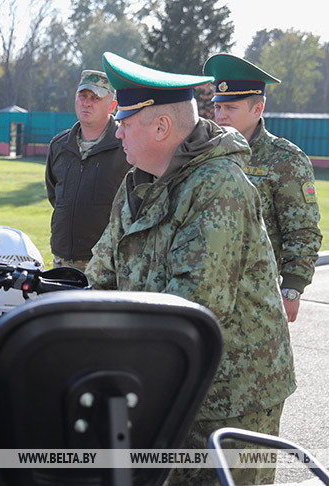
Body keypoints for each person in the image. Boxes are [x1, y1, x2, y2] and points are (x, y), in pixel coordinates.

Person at [86, 53, 295, 485]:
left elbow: (195, 307)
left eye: (125, 119)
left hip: (232, 396)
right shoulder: (138, 182)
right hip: (170, 383)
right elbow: (103, 270)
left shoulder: (219, 185)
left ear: (161, 127)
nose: (117, 129)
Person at [203, 53, 322, 322]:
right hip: (206, 290)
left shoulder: (285, 159)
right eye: (218, 107)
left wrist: (292, 287)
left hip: (256, 299)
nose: (220, 116)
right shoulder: (205, 153)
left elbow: (302, 231)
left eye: (230, 108)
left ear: (257, 109)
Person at [45, 69, 129, 271]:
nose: (87, 103)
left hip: (107, 263)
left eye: (95, 98)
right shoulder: (59, 145)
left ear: (113, 105)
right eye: (82, 96)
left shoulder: (126, 146)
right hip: (62, 260)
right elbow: (55, 195)